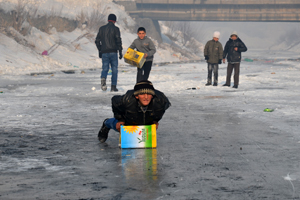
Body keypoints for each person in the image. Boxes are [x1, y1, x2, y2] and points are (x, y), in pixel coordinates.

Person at [98, 80, 171, 143]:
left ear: (152, 95)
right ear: (136, 96)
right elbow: (114, 101)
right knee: (118, 125)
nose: (146, 97)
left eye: (149, 94)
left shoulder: (160, 100)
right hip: (129, 119)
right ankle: (106, 123)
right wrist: (120, 120)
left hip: (147, 119)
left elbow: (162, 109)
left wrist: (155, 120)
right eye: (142, 94)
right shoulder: (127, 99)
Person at [95, 14, 123, 92]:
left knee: (105, 68)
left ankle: (103, 78)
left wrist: (100, 50)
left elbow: (97, 41)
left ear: (108, 20)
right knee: (114, 70)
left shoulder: (102, 29)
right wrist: (120, 51)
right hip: (114, 52)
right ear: (114, 21)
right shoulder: (116, 29)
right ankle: (113, 87)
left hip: (104, 52)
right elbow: (118, 40)